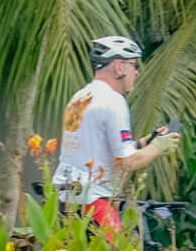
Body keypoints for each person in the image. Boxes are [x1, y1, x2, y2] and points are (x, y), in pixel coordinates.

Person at [52, 35, 181, 234]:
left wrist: (145, 142)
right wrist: (159, 147)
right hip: (92, 201)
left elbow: (96, 148)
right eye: (134, 65)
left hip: (65, 199)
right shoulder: (113, 101)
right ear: (119, 67)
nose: (137, 72)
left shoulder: (80, 97)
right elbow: (128, 162)